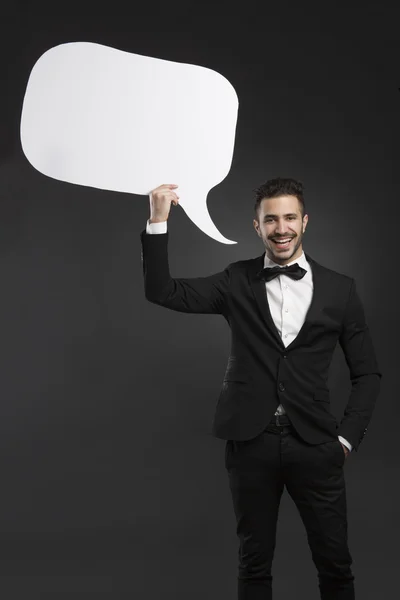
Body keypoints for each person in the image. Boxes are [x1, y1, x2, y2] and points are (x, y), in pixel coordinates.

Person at [140, 178, 382, 600]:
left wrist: (345, 439)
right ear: (257, 227)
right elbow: (163, 291)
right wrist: (158, 221)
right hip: (251, 443)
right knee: (253, 565)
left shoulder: (340, 289)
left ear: (304, 222)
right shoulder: (236, 280)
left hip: (316, 444)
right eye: (271, 219)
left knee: (335, 565)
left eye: (289, 217)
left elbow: (368, 374)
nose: (281, 228)